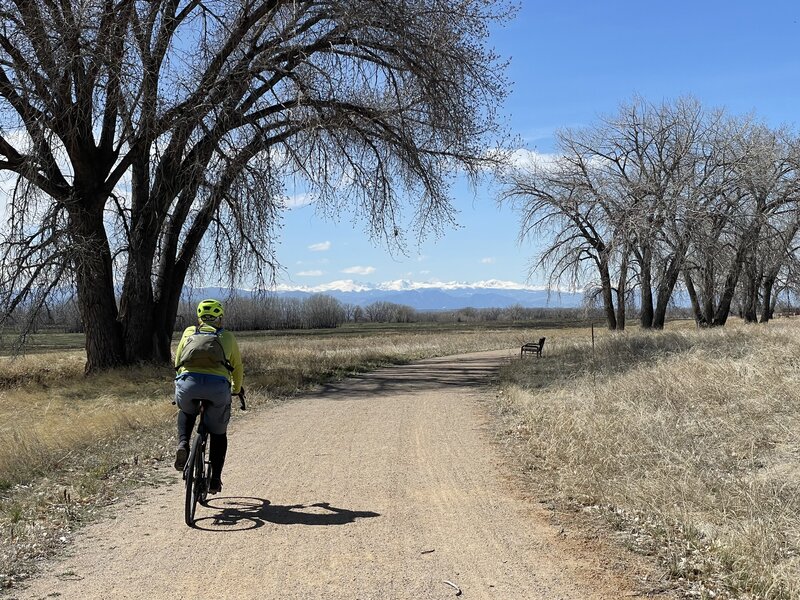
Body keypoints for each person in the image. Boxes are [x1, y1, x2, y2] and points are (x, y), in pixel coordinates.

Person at [173, 298, 244, 494]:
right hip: (217, 389)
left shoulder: (189, 332)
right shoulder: (227, 337)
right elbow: (237, 367)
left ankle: (184, 443)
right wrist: (236, 389)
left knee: (186, 411)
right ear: (219, 318)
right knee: (218, 434)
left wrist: (180, 385)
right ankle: (214, 479)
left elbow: (178, 361)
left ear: (199, 318)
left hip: (188, 385)